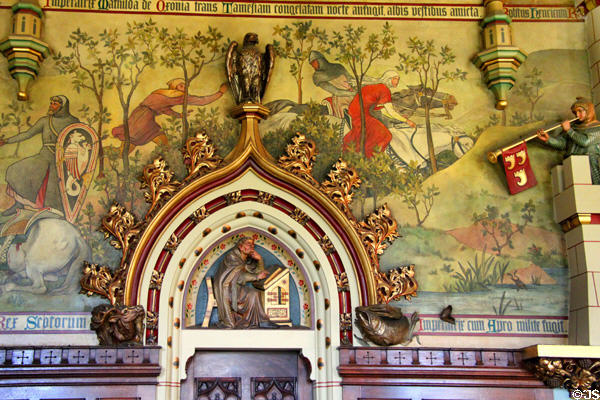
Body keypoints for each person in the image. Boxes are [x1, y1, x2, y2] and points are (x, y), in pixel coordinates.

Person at [0, 95, 79, 216]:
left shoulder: (74, 122)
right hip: (44, 156)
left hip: (62, 160)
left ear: (62, 107)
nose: (51, 105)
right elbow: (28, 134)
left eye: (55, 104)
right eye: (51, 103)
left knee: (55, 190)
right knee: (16, 169)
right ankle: (18, 204)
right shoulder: (45, 121)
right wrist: (7, 141)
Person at [112, 78, 228, 154]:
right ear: (174, 87)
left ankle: (112, 153)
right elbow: (201, 101)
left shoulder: (162, 93)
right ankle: (171, 157)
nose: (184, 88)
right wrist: (220, 93)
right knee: (161, 139)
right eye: (181, 85)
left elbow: (163, 109)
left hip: (138, 115)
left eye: (185, 85)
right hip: (145, 119)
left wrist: (179, 115)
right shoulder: (178, 96)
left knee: (131, 140)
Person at [343, 70, 416, 158]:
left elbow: (384, 111)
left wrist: (399, 118)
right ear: (388, 79)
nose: (397, 81)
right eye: (395, 79)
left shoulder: (378, 87)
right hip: (360, 114)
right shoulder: (384, 89)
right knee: (385, 135)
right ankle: (370, 158)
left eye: (398, 79)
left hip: (356, 111)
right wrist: (407, 121)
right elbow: (390, 111)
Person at [212, 237, 277, 329]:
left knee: (254, 293)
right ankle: (253, 321)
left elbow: (257, 272)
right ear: (241, 247)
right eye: (248, 244)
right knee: (253, 294)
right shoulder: (232, 257)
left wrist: (260, 260)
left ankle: (261, 321)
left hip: (237, 288)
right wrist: (256, 277)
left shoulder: (244, 259)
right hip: (228, 290)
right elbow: (239, 276)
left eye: (253, 245)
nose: (252, 246)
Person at [537, 97, 600, 184]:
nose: (577, 115)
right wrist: (549, 139)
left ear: (589, 111)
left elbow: (585, 142)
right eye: (575, 113)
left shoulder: (597, 128)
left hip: (589, 162)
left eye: (580, 111)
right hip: (572, 162)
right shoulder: (575, 127)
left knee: (593, 190)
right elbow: (564, 144)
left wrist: (569, 130)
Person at [309, 50, 355, 119]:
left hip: (352, 92)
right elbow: (336, 91)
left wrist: (353, 88)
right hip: (340, 99)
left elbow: (351, 79)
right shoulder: (318, 76)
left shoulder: (338, 67)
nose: (313, 66)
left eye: (314, 62)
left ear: (320, 60)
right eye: (311, 64)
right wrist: (352, 93)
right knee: (346, 113)